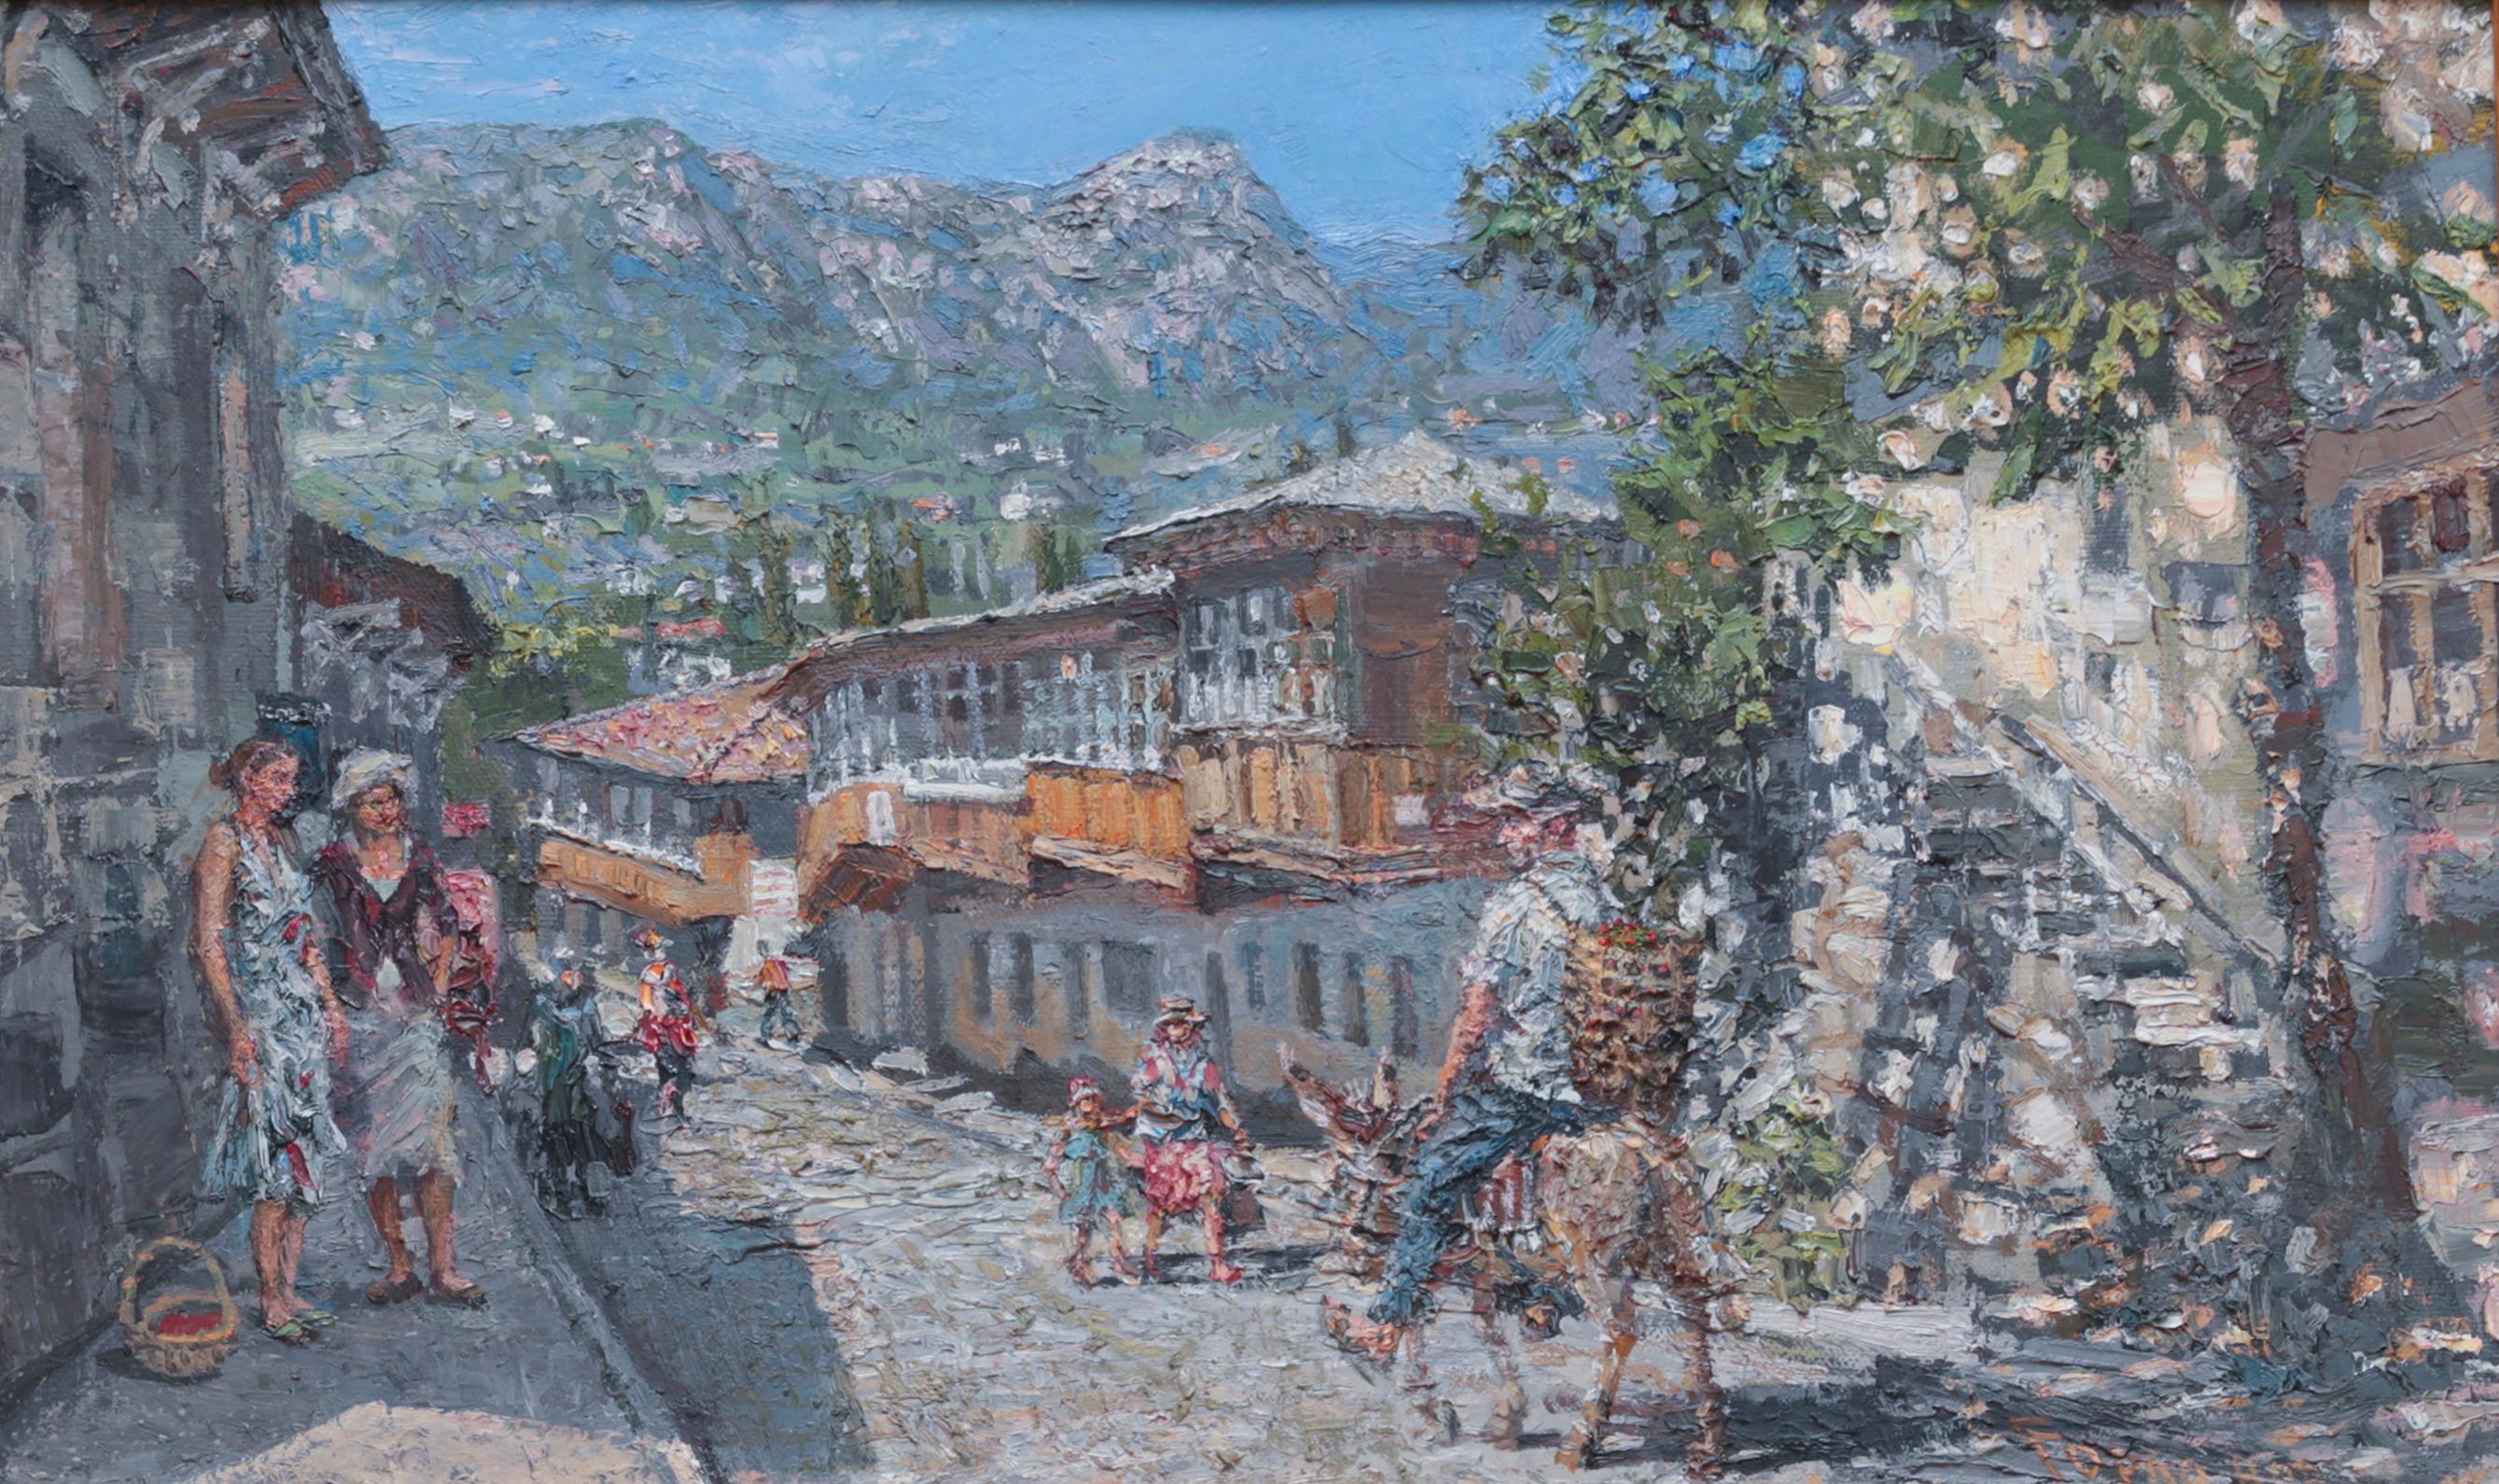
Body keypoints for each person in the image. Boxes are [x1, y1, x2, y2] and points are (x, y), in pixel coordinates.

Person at [1331, 787, 1616, 1360]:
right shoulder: (1605, 901)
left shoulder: (1517, 902)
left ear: (1557, 826)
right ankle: (1536, 1292)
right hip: (1598, 1091)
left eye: (1517, 822)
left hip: (1525, 1087)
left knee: (1431, 1179)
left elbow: (1478, 1014)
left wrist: (1445, 1093)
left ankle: (1389, 1322)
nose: (1504, 836)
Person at [311, 749, 486, 1309]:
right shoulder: (331, 866)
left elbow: (449, 926)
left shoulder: (421, 859)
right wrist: (333, 1004)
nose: (383, 811)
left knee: (434, 1146)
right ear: (352, 809)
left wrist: (438, 982)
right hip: (362, 1017)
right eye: (370, 803)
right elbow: (314, 938)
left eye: (389, 800)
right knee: (376, 1150)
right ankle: (398, 1265)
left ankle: (444, 1267)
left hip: (415, 1017)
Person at [191, 738, 351, 1345]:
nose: (289, 790)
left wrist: (331, 1006)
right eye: (279, 779)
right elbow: (209, 942)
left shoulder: (284, 842)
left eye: (292, 779)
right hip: (261, 1018)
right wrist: (235, 1027)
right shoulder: (223, 842)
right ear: (248, 781)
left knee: (305, 1154)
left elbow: (305, 936)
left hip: (302, 1018)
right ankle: (270, 1295)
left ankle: (289, 1282)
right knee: (273, 1161)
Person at [1130, 997, 1252, 1285]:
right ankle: (1149, 1251)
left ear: (1192, 1028)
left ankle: (1218, 1263)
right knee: (1165, 1206)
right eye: (1170, 1025)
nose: (1175, 1030)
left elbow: (1220, 1102)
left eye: (1180, 1024)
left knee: (1211, 1196)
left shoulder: (1204, 1064)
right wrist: (1160, 1112)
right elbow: (1140, 1096)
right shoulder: (1156, 1061)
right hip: (1163, 1141)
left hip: (1196, 1139)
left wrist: (1238, 1130)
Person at [529, 954, 614, 1216]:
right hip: (550, 1079)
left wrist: (593, 1062)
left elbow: (597, 1040)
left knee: (585, 1129)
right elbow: (531, 1041)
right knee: (554, 1129)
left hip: (579, 1076)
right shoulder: (541, 1005)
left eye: (576, 974)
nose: (573, 979)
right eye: (567, 974)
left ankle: (594, 1186)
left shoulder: (586, 1005)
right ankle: (561, 1185)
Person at [1042, 1077, 1141, 1286]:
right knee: (1083, 1233)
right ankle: (1078, 1263)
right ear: (1078, 1104)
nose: (1094, 1105)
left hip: (1103, 1187)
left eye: (1096, 1100)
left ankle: (1119, 1265)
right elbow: (1049, 1168)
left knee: (1113, 1223)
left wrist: (1137, 1110)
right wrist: (1061, 1192)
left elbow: (1119, 1118)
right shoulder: (1070, 1131)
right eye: (1088, 1101)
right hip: (1082, 1189)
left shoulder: (1098, 1127)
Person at [639, 972, 700, 1125]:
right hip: (665, 1065)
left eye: (657, 1000)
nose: (654, 1004)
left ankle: (681, 1118)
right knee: (665, 1090)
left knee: (679, 1095)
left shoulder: (675, 1026)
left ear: (669, 1005)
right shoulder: (658, 1022)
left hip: (678, 1068)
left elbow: (683, 1051)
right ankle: (670, 1112)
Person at [753, 954, 802, 1048]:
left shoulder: (767, 966)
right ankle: (794, 1034)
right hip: (784, 991)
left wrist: (751, 990)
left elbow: (760, 981)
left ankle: (764, 1037)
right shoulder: (781, 964)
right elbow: (787, 979)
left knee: (767, 1015)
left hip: (773, 992)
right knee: (786, 1013)